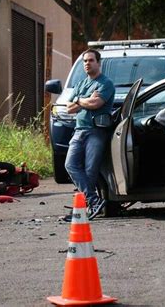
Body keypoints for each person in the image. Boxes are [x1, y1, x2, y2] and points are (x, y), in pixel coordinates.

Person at [64, 49, 115, 220]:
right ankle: (93, 201)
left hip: (96, 131)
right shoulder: (80, 84)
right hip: (79, 130)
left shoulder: (105, 83)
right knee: (70, 165)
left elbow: (96, 103)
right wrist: (81, 100)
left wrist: (79, 100)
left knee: (90, 171)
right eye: (85, 61)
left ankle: (81, 210)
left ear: (98, 63)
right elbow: (69, 108)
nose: (87, 63)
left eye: (91, 60)